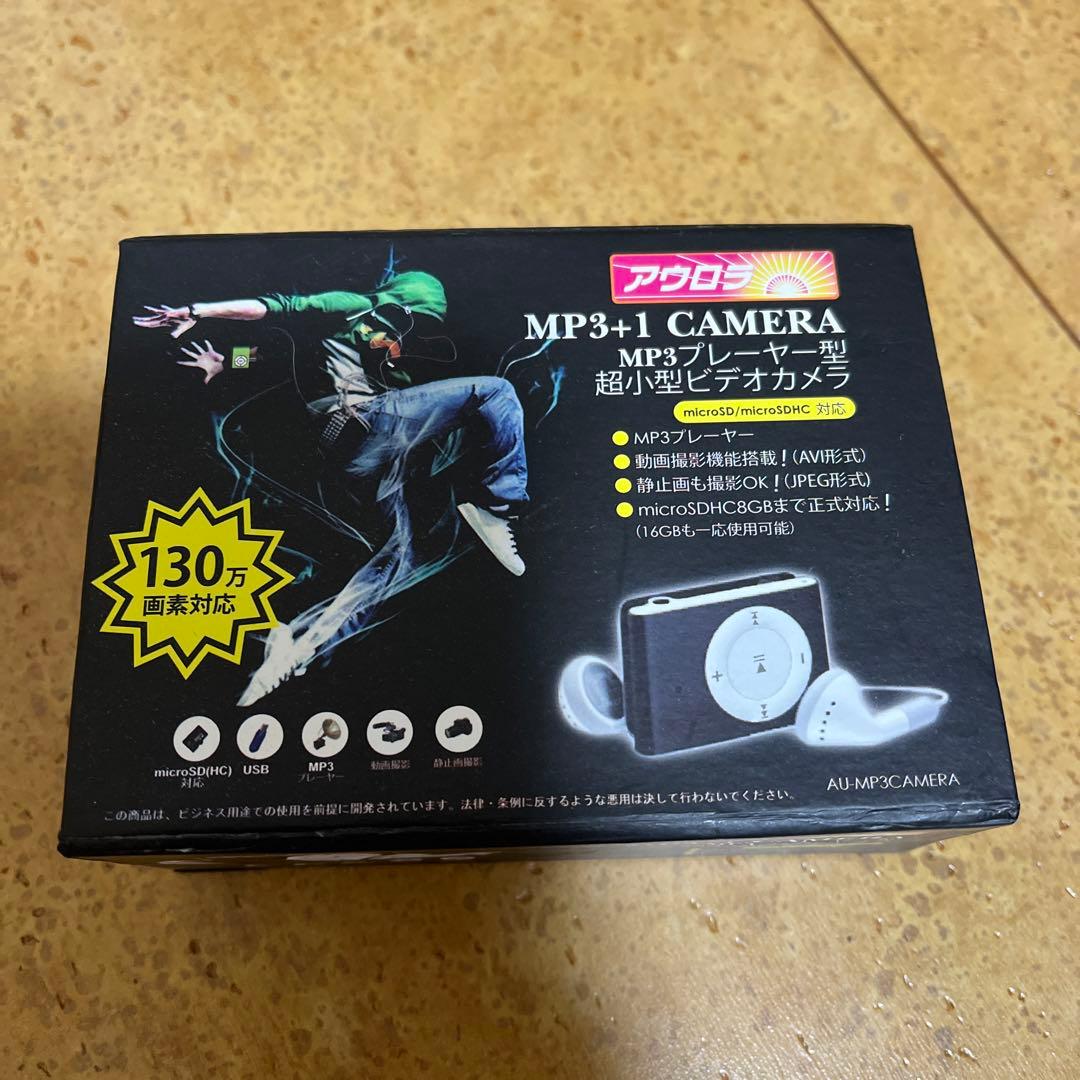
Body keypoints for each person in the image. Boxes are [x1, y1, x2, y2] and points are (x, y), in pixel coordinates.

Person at [133, 269, 528, 702]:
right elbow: (275, 307)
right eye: (414, 314)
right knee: (495, 393)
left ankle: (296, 646)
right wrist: (200, 311)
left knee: (394, 560)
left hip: (362, 460)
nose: (412, 327)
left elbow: (267, 357)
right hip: (360, 421)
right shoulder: (353, 307)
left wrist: (225, 363)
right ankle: (499, 506)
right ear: (400, 299)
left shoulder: (390, 351)